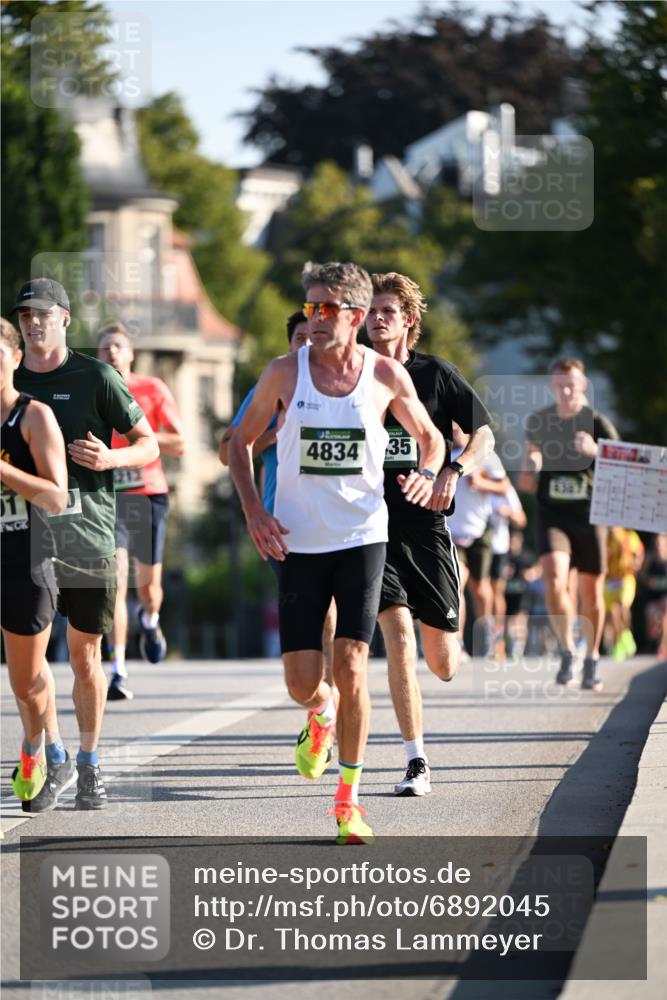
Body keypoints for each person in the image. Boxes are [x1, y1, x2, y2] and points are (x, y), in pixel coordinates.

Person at [229, 261, 445, 842]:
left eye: (325, 308)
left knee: (352, 665)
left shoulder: (383, 375)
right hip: (298, 542)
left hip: (362, 538)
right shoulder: (284, 372)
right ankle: (319, 711)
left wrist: (428, 473)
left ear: (354, 315)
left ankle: (347, 801)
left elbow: (431, 438)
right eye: (310, 307)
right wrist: (254, 511)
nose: (314, 318)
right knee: (303, 682)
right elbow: (238, 443)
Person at [13, 278, 158, 811]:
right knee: (30, 664)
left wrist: (112, 458)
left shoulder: (96, 377)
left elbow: (147, 445)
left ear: (65, 319)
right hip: (22, 538)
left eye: (43, 313)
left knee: (84, 656)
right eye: (25, 315)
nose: (34, 323)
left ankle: (90, 762)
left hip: (86, 532)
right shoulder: (10, 379)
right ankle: (53, 754)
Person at [366, 272, 494, 796]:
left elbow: (484, 435)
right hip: (371, 525)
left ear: (409, 321)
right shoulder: (353, 373)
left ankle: (451, 606)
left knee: (441, 663)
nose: (376, 319)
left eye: (387, 312)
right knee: (398, 635)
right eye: (370, 311)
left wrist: (454, 470)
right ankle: (415, 760)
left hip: (426, 525)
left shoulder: (436, 374)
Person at [220, 313, 337, 675]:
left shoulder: (348, 384)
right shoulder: (273, 387)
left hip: (340, 517)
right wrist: (276, 434)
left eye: (314, 337)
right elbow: (227, 451)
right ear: (290, 346)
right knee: (315, 610)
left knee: (332, 611)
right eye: (300, 338)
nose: (307, 345)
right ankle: (321, 693)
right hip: (284, 522)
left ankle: (334, 693)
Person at [518, 357, 619, 691]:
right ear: (552, 385)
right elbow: (528, 469)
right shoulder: (540, 421)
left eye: (571, 384)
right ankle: (567, 649)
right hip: (553, 515)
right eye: (559, 385)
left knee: (591, 592)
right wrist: (532, 465)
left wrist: (596, 450)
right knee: (554, 578)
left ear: (583, 384)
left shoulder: (597, 422)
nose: (565, 391)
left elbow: (625, 468)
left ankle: (591, 658)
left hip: (590, 515)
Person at [96, 322, 185, 700]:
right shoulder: (90, 391)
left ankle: (150, 619)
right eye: (105, 348)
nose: (112, 352)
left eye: (118, 346)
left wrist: (139, 435)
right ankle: (117, 669)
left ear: (131, 353)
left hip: (147, 494)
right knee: (114, 582)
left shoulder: (152, 388)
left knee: (148, 588)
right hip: (109, 497)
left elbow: (179, 442)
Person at [1, 318, 68, 806]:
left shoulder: (33, 416)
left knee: (25, 679)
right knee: (24, 675)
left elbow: (56, 497)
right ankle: (47, 750)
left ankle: (36, 747)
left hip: (28, 557)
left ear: (15, 358)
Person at [488, 483, 527, 657]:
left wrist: (508, 512)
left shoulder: (503, 486)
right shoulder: (463, 478)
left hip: (497, 547)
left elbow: (521, 519)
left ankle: (497, 641)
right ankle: (482, 638)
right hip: (470, 542)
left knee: (496, 593)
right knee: (481, 592)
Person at [604, 526, 644, 660]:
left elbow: (639, 551)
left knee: (623, 606)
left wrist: (637, 563)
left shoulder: (628, 535)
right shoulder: (605, 537)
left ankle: (625, 635)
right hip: (610, 579)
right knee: (613, 613)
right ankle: (620, 640)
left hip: (625, 577)